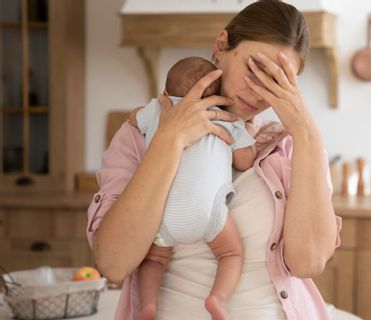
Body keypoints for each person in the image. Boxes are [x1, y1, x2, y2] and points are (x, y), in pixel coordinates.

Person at [86, 0, 342, 319]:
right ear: (221, 45)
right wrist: (170, 139)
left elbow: (308, 262)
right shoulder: (142, 134)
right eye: (254, 69)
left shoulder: (288, 146)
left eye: (277, 81)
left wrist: (306, 131)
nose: (260, 92)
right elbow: (113, 263)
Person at [129, 56, 258, 320]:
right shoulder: (227, 118)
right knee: (231, 254)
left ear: (166, 93)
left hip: (162, 212)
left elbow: (132, 119)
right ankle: (218, 299)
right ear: (218, 95)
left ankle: (148, 305)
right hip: (207, 212)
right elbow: (245, 162)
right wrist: (247, 134)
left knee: (153, 260)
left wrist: (153, 109)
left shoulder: (158, 109)